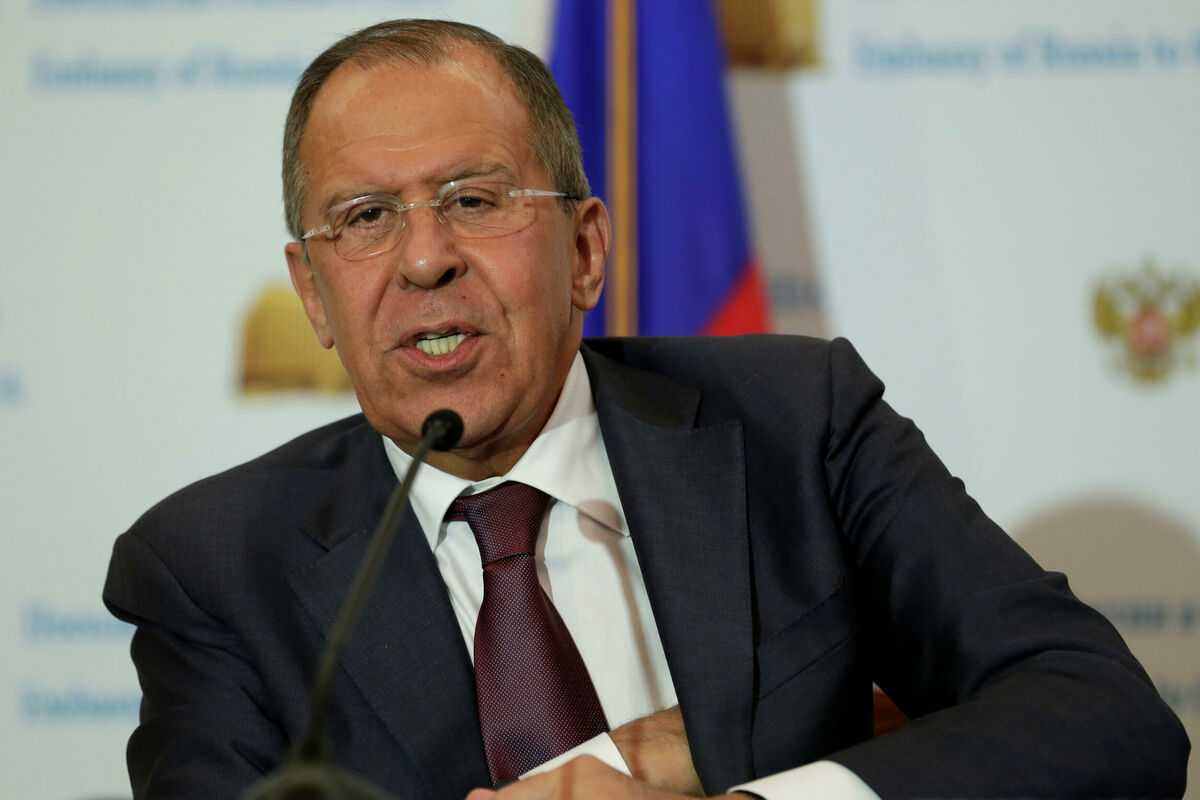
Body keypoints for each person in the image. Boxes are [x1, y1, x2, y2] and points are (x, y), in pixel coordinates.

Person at [103, 18, 1189, 800]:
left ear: (585, 251)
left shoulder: (796, 422)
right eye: (366, 217)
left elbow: (1105, 716)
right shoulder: (215, 566)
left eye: (474, 199)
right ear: (312, 292)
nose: (425, 258)